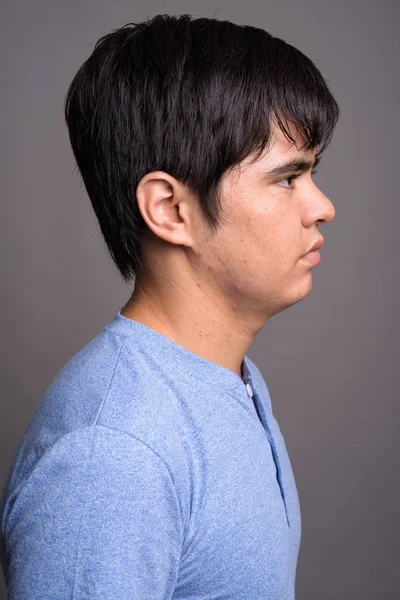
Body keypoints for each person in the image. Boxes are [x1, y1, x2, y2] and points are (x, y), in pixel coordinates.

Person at [0, 13, 339, 599]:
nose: (322, 206)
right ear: (170, 210)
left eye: (312, 173)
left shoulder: (229, 379)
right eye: (287, 179)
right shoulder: (111, 456)